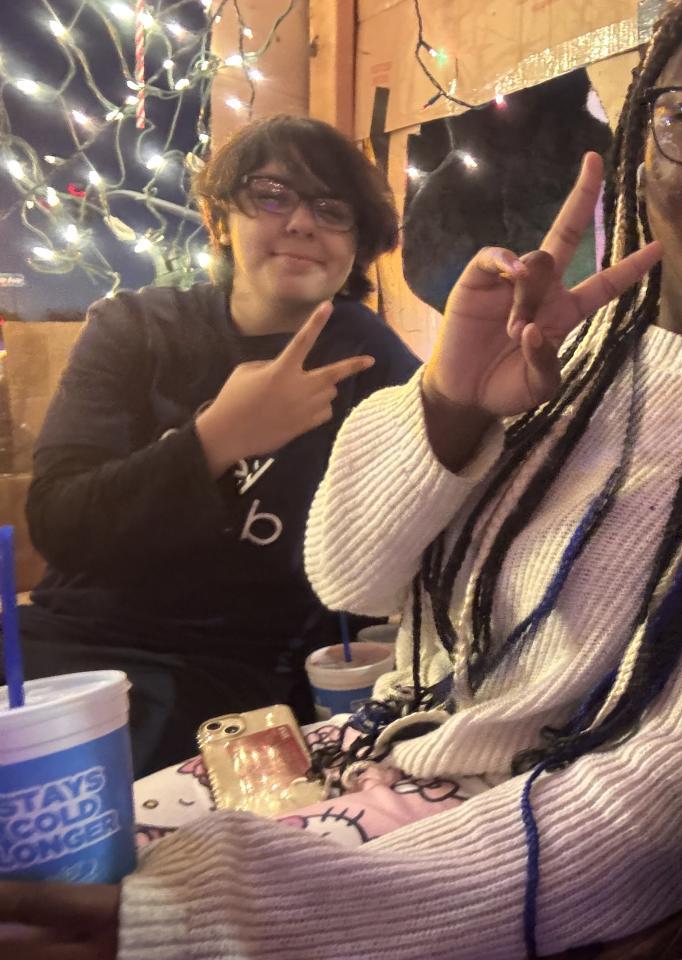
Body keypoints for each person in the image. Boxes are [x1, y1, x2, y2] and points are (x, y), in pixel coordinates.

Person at [0, 1, 682, 957]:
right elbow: (350, 578)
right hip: (385, 742)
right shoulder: (578, 345)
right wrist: (448, 401)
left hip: (507, 843)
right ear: (643, 148)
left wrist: (235, 918)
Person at [3, 115, 420, 775]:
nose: (302, 223)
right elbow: (59, 523)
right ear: (218, 218)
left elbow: (454, 475)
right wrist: (216, 438)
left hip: (230, 684)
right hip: (67, 642)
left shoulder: (369, 357)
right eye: (271, 196)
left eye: (332, 209)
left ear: (357, 243)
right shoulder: (136, 329)